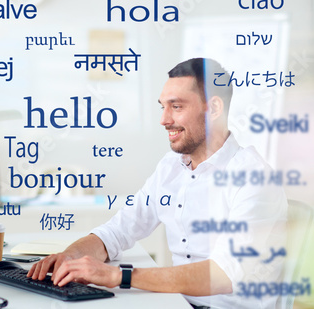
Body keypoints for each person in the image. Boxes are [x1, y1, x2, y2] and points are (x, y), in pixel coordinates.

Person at [27, 58, 287, 308]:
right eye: (162, 106)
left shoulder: (254, 177)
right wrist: (70, 257)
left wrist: (120, 276)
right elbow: (120, 229)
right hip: (175, 302)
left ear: (215, 109)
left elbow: (223, 274)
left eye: (176, 106)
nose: (164, 119)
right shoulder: (171, 167)